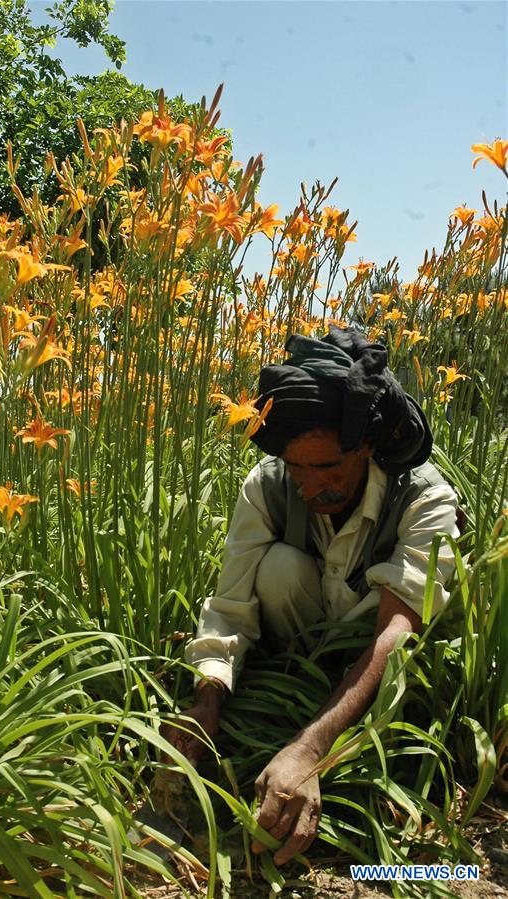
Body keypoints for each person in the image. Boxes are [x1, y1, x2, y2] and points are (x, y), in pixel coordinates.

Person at [163, 326, 460, 867]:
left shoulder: (426, 497)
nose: (306, 486)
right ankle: (291, 687)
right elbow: (230, 602)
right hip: (301, 641)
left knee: (396, 623)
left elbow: (395, 635)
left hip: (375, 660)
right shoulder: (269, 482)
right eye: (297, 467)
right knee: (275, 567)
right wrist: (207, 698)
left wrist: (311, 747)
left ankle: (325, 720)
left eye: (325, 467)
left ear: (367, 447)